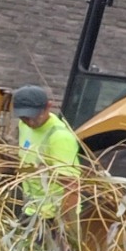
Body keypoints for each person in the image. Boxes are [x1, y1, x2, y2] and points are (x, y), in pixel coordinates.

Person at [11, 85, 78, 221]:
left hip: (52, 217)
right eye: (25, 117)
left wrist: (66, 228)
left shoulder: (60, 138)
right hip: (31, 209)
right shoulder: (23, 126)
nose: (30, 122)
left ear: (48, 107)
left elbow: (71, 186)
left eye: (34, 116)